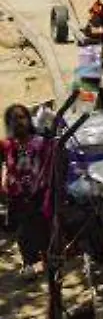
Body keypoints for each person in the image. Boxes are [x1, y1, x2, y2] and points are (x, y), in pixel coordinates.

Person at [1, 104, 50, 278]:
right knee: (23, 234)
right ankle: (30, 262)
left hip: (40, 194)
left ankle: (47, 260)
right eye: (13, 119)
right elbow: (5, 165)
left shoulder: (41, 142)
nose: (18, 122)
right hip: (17, 197)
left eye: (21, 117)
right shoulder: (7, 145)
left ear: (29, 120)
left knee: (43, 230)